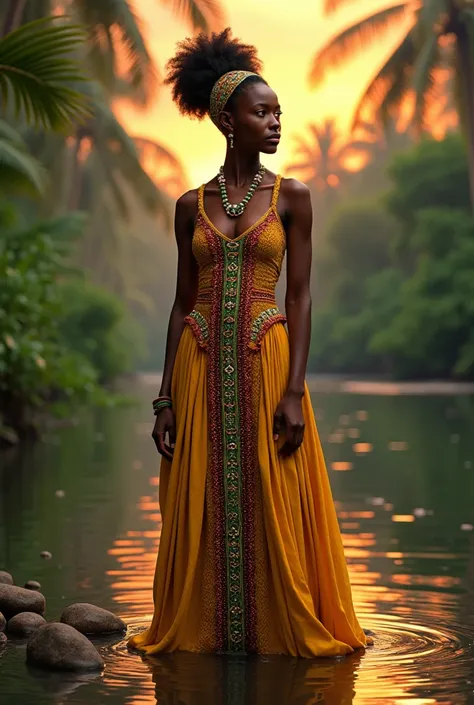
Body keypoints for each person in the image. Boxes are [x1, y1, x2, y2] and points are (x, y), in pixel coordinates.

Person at [128, 28, 369, 658]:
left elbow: (300, 296)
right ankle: (210, 635)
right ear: (228, 120)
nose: (275, 123)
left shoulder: (293, 197)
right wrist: (163, 400)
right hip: (199, 362)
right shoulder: (190, 205)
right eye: (262, 112)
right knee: (201, 496)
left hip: (268, 361)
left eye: (279, 113)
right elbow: (182, 304)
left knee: (274, 487)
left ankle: (279, 630)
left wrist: (296, 390)